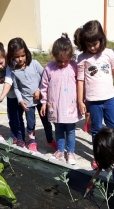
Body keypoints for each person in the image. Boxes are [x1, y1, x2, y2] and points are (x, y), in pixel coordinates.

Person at [74, 20, 114, 169]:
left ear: (101, 39)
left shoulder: (109, 53)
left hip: (109, 98)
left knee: (113, 127)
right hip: (93, 101)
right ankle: (99, 157)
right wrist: (80, 101)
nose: (92, 47)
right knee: (96, 130)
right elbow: (80, 80)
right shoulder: (82, 58)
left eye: (95, 44)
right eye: (88, 44)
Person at [7, 38, 56, 152]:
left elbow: (45, 78)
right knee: (31, 124)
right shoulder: (15, 71)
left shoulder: (34, 64)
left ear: (27, 53)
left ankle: (50, 140)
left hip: (42, 101)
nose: (20, 59)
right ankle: (32, 142)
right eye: (17, 57)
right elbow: (16, 88)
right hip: (28, 103)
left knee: (46, 122)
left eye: (23, 55)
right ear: (12, 57)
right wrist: (20, 100)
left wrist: (39, 90)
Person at [40, 33, 81, 165]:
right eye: (59, 61)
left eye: (65, 60)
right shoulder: (49, 68)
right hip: (55, 107)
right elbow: (44, 86)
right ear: (54, 56)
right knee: (58, 130)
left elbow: (81, 84)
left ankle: (71, 152)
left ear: (70, 57)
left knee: (70, 130)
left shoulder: (74, 67)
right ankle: (60, 150)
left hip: (70, 106)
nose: (63, 63)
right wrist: (43, 103)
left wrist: (82, 101)